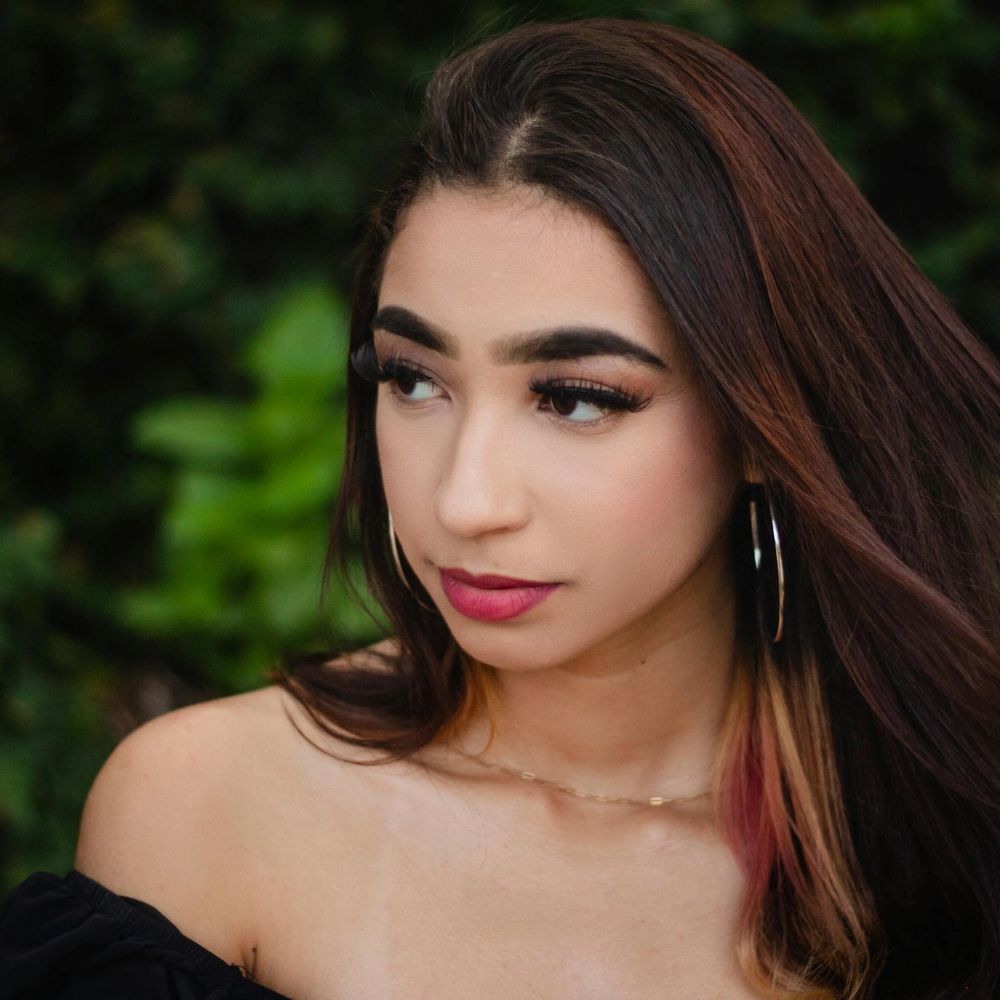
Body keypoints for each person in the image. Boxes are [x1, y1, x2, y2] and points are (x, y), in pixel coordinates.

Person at [2, 16, 998, 1000]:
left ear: (760, 423)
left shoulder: (946, 838)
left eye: (576, 398)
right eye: (413, 379)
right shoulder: (211, 807)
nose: (464, 499)